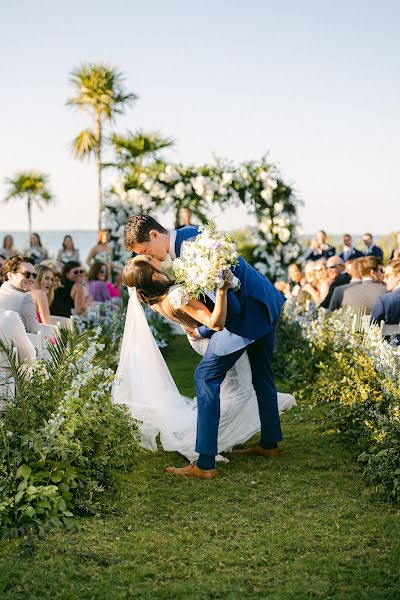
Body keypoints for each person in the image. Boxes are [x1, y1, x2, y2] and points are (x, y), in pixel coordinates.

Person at [122, 214, 291, 479]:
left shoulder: (190, 254)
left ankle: (205, 463)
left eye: (144, 250)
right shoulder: (191, 234)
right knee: (262, 374)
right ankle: (269, 444)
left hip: (247, 316)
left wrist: (201, 330)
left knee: (205, 377)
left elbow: (228, 309)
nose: (149, 256)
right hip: (263, 300)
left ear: (154, 235)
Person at [0, 256, 40, 333]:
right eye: (27, 274)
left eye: (34, 275)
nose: (31, 279)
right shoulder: (25, 299)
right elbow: (35, 332)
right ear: (10, 275)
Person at [370, 260, 400, 326]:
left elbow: (372, 327)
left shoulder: (384, 301)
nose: (384, 280)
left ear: (398, 277)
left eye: (386, 276)